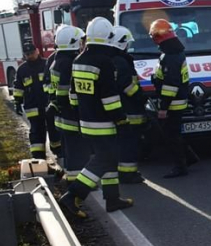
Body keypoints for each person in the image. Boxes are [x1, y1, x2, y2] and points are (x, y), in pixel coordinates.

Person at [58, 17, 134, 218]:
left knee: (109, 160)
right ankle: (73, 195)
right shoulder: (105, 62)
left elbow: (73, 95)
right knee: (103, 160)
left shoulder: (78, 60)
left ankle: (112, 198)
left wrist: (80, 112)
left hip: (85, 121)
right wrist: (121, 119)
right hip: (104, 123)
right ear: (108, 37)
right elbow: (110, 97)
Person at [149, 18, 197, 178]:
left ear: (158, 37)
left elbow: (171, 84)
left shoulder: (169, 56)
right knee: (174, 133)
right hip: (178, 100)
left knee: (171, 136)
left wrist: (163, 108)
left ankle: (180, 167)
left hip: (172, 104)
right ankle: (189, 158)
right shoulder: (176, 52)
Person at [51, 25, 92, 184]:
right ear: (73, 43)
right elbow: (65, 92)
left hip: (61, 116)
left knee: (70, 150)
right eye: (81, 41)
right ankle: (77, 185)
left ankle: (72, 179)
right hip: (70, 115)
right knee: (78, 152)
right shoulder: (69, 63)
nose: (83, 45)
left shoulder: (57, 61)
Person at [110, 26, 146, 184]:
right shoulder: (120, 61)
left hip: (120, 108)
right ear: (121, 43)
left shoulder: (112, 59)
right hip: (129, 109)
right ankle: (128, 174)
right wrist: (140, 96)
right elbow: (127, 85)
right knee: (128, 143)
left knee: (123, 142)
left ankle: (125, 172)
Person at [13, 42, 61, 159]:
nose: (31, 55)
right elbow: (18, 87)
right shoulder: (22, 70)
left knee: (54, 129)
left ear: (37, 51)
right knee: (36, 132)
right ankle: (38, 156)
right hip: (33, 108)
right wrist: (17, 103)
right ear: (24, 55)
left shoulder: (47, 64)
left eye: (32, 52)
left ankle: (58, 151)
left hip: (48, 105)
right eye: (27, 54)